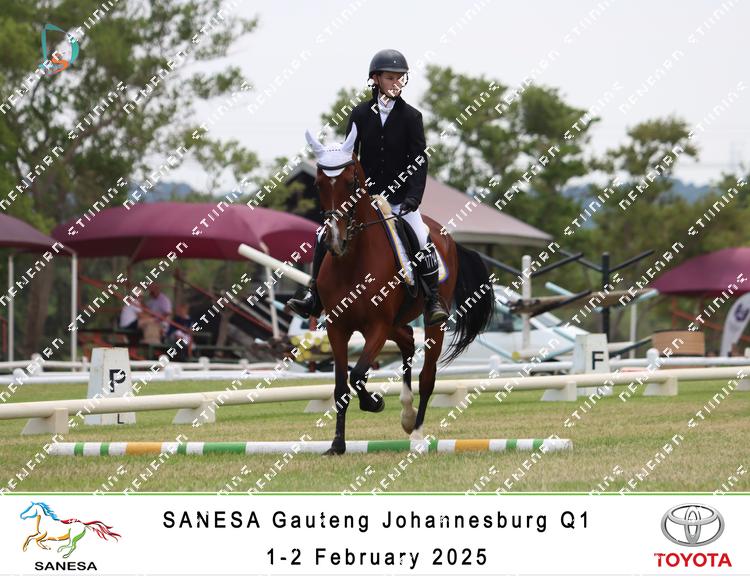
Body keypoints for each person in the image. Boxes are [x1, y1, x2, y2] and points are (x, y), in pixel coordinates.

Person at [287, 48, 449, 326]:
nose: (396, 83)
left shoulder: (412, 117)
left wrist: (413, 197)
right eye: (390, 77)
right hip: (366, 197)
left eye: (400, 78)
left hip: (400, 199)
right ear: (375, 79)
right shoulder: (360, 113)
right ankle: (314, 295)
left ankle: (433, 298)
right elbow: (349, 155)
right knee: (323, 234)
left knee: (422, 237)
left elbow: (419, 161)